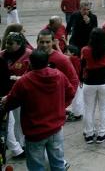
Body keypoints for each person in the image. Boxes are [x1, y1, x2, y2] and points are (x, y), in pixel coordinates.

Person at [1, 50, 75, 171]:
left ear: (30, 63)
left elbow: (11, 102)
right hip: (56, 129)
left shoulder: (24, 81)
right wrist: (61, 106)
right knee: (58, 164)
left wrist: (5, 101)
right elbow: (70, 92)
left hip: (35, 132)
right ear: (47, 62)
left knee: (36, 166)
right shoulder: (59, 75)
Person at [0, 31, 31, 160]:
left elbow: (32, 72)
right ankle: (14, 144)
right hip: (5, 94)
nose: (7, 45)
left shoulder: (28, 55)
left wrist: (19, 78)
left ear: (19, 44)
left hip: (20, 93)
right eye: (6, 42)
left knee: (19, 119)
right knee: (9, 122)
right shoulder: (2, 55)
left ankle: (21, 143)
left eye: (10, 43)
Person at [81, 28, 105, 144]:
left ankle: (89, 134)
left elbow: (83, 64)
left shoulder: (85, 50)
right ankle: (102, 134)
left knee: (88, 108)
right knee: (104, 108)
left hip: (90, 82)